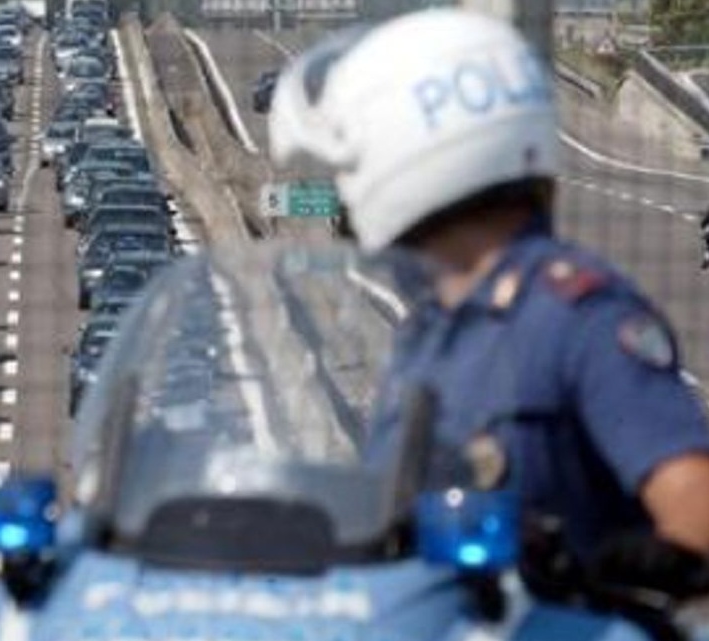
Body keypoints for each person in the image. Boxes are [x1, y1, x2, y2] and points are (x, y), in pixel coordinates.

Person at [268, 9, 709, 594]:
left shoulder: (576, 316)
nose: (344, 191)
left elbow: (695, 510)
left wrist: (608, 581)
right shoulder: (429, 330)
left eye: (352, 162)